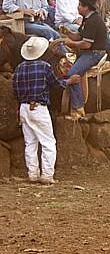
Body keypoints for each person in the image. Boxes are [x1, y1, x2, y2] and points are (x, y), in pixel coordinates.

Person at [12, 37, 80, 184]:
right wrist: (69, 81)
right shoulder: (44, 66)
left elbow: (15, 92)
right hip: (39, 108)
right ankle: (47, 176)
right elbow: (55, 84)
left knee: (30, 143)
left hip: (24, 107)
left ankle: (33, 174)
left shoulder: (19, 68)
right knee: (48, 142)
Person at [61, 0, 107, 120]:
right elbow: (79, 36)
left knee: (73, 73)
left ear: (86, 7)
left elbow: (86, 44)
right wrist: (68, 33)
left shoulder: (93, 21)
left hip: (93, 54)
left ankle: (79, 108)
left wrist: (71, 43)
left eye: (80, 5)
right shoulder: (88, 19)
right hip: (90, 51)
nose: (78, 7)